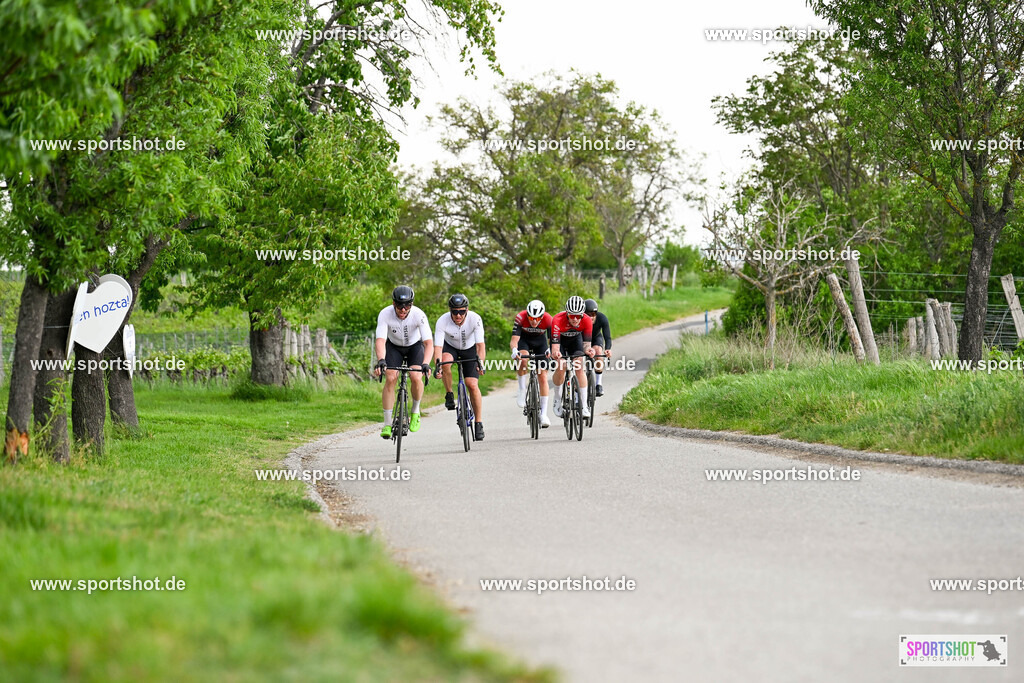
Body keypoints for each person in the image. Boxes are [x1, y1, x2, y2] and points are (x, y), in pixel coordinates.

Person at [372, 285, 433, 439]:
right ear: (394, 303)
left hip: (414, 347)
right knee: (391, 377)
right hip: (394, 347)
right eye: (400, 306)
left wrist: (426, 363)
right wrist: (381, 360)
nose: (403, 310)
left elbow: (428, 343)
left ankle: (415, 411)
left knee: (416, 376)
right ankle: (387, 424)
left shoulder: (419, 315)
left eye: (407, 306)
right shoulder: (385, 314)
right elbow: (380, 340)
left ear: (411, 304)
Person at [432, 293, 486, 440]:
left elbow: (480, 346)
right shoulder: (442, 321)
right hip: (451, 348)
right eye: (454, 312)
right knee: (445, 362)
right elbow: (438, 347)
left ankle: (479, 422)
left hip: (470, 349)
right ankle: (449, 393)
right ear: (450, 310)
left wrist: (481, 363)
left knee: (472, 384)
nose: (458, 315)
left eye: (461, 312)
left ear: (466, 310)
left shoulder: (475, 319)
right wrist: (438, 366)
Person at [550, 295, 595, 419]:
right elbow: (555, 347)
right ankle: (557, 398)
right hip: (561, 342)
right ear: (567, 314)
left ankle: (584, 406)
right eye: (571, 316)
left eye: (578, 316)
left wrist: (589, 350)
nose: (575, 319)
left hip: (576, 341)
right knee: (562, 365)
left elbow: (586, 345)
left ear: (582, 315)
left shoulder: (587, 320)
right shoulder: (557, 319)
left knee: (579, 366)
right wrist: (556, 354)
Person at [510, 299, 552, 427]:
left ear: (542, 316)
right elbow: (514, 340)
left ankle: (543, 414)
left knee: (542, 376)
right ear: (527, 315)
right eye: (531, 318)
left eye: (537, 318)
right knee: (523, 360)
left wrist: (551, 349)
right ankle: (522, 389)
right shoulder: (520, 317)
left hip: (541, 343)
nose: (534, 321)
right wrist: (514, 350)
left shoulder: (548, 319)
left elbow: (553, 340)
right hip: (524, 341)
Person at [584, 298, 612, 397]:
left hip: (596, 338)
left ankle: (598, 384)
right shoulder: (579, 320)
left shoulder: (602, 318)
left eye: (593, 314)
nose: (591, 317)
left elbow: (607, 337)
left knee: (598, 352)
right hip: (583, 339)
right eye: (588, 314)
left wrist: (607, 349)